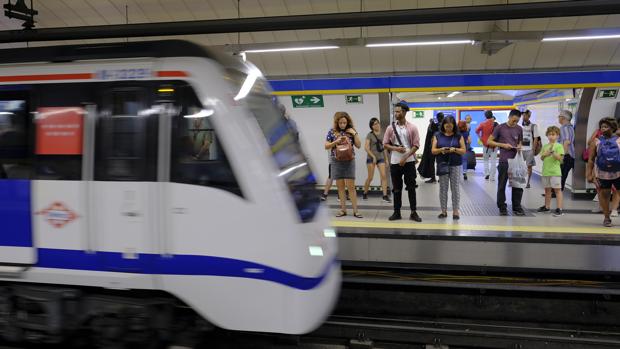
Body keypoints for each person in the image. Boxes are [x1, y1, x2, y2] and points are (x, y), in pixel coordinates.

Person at [383, 102, 422, 222]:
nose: (396, 113)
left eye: (399, 111)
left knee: (411, 187)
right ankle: (396, 212)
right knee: (396, 188)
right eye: (395, 111)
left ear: (404, 112)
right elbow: (385, 144)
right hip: (395, 162)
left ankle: (413, 212)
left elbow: (416, 145)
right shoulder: (390, 128)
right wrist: (396, 149)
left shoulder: (412, 127)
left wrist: (405, 157)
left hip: (409, 161)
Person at [487, 109, 525, 216]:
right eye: (513, 120)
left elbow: (520, 142)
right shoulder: (500, 127)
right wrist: (503, 145)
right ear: (509, 117)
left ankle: (517, 207)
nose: (515, 123)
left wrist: (519, 146)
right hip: (504, 161)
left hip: (516, 161)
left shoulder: (519, 129)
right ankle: (502, 206)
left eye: (517, 121)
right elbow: (489, 141)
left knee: (517, 185)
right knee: (502, 185)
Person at [325, 112, 362, 218]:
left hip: (349, 160)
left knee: (351, 187)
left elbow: (359, 145)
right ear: (337, 123)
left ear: (348, 122)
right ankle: (343, 210)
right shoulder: (332, 132)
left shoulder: (351, 131)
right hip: (336, 161)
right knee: (340, 187)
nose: (342, 125)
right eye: (340, 122)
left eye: (344, 122)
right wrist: (335, 142)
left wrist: (354, 133)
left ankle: (356, 211)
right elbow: (326, 146)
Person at [587, 117, 620, 227]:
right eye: (601, 127)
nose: (603, 129)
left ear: (613, 128)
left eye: (606, 126)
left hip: (618, 173)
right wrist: (589, 174)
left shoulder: (619, 140)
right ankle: (606, 217)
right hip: (602, 173)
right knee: (604, 194)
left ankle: (612, 212)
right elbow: (591, 159)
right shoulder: (596, 141)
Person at [432, 116, 466, 219]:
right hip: (442, 164)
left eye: (450, 127)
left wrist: (454, 149)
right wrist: (441, 149)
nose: (448, 129)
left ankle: (455, 211)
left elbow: (463, 150)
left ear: (454, 126)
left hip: (455, 164)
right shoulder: (437, 135)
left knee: (455, 188)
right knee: (443, 188)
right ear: (443, 125)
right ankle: (444, 211)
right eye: (446, 126)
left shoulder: (458, 136)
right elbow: (433, 151)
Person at [537, 126, 565, 216]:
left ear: (557, 136)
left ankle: (559, 208)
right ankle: (547, 207)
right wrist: (545, 154)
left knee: (557, 190)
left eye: (553, 134)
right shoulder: (545, 146)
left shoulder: (559, 146)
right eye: (549, 134)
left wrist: (553, 152)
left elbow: (560, 159)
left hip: (555, 172)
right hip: (546, 171)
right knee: (547, 190)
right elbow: (542, 158)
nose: (551, 136)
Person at [362, 117, 390, 202]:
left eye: (378, 123)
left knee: (384, 176)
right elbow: (366, 148)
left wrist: (386, 159)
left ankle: (384, 195)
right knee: (370, 177)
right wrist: (373, 156)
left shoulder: (383, 134)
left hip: (381, 158)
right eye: (374, 124)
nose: (377, 125)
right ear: (371, 126)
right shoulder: (369, 135)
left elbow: (384, 148)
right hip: (371, 158)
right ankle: (365, 193)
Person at [418, 113, 444, 183]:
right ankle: (441, 178)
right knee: (440, 162)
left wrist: (431, 123)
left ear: (437, 118)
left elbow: (429, 134)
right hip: (442, 147)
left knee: (431, 162)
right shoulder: (445, 126)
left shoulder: (433, 125)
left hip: (432, 147)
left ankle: (433, 178)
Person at [521, 110, 541, 188]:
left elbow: (536, 138)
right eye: (523, 115)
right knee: (519, 165)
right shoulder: (520, 125)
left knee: (529, 166)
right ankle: (520, 179)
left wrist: (533, 149)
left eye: (525, 115)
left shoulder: (533, 126)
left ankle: (528, 182)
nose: (523, 117)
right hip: (521, 149)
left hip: (529, 149)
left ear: (529, 116)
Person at [476, 110, 497, 181]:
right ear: (492, 115)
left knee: (486, 160)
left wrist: (481, 138)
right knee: (493, 161)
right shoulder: (496, 124)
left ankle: (487, 174)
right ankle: (492, 177)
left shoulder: (482, 124)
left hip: (485, 144)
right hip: (494, 145)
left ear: (485, 116)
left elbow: (476, 131)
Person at [558, 109, 575, 192]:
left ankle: (557, 193)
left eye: (559, 116)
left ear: (563, 118)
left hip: (567, 155)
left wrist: (562, 156)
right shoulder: (570, 127)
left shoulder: (565, 128)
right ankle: (557, 192)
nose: (558, 118)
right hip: (569, 155)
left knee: (560, 175)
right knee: (562, 175)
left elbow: (567, 142)